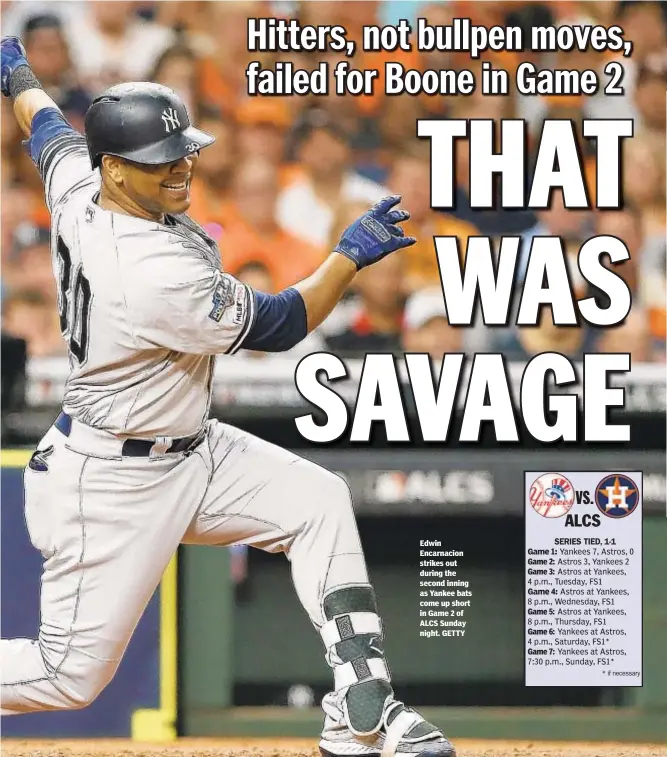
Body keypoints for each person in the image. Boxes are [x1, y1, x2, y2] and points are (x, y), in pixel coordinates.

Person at [0, 37, 455, 757]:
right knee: (67, 675)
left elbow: (46, 126)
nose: (182, 166)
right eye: (161, 160)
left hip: (190, 444)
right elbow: (281, 323)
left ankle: (359, 706)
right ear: (117, 169)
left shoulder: (81, 184)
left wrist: (15, 72)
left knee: (317, 501)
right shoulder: (144, 272)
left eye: (183, 150)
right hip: (113, 479)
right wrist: (348, 255)